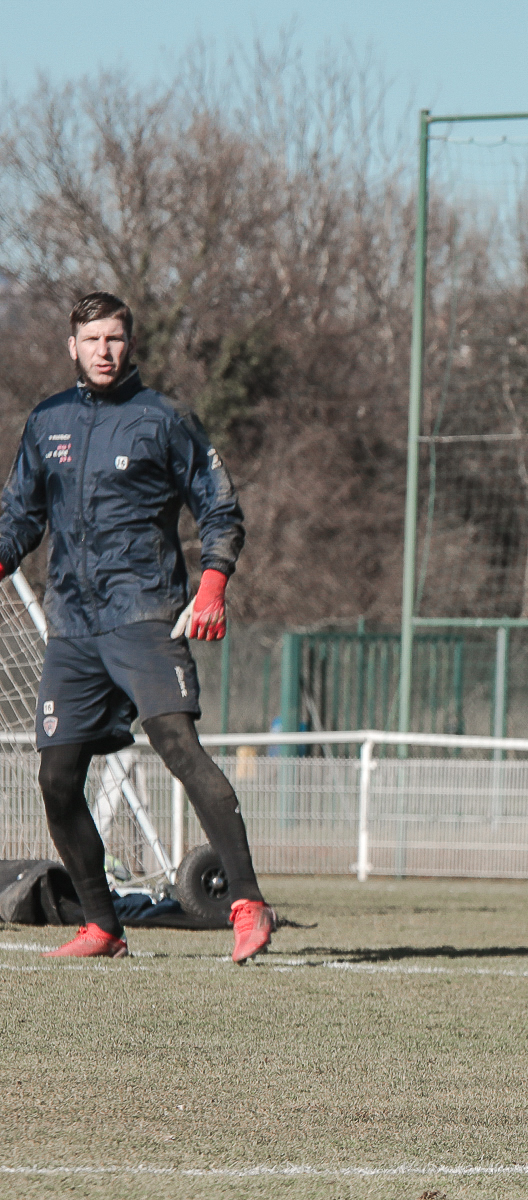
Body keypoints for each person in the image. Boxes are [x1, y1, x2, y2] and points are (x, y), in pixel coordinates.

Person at [0, 291, 275, 963]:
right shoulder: (48, 423)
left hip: (145, 615)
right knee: (57, 779)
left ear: (130, 344)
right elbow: (20, 518)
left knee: (179, 746)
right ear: (72, 346)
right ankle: (102, 926)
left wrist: (213, 584)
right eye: (92, 339)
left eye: (115, 339)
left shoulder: (164, 419)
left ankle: (247, 903)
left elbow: (219, 508)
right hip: (72, 626)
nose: (103, 350)